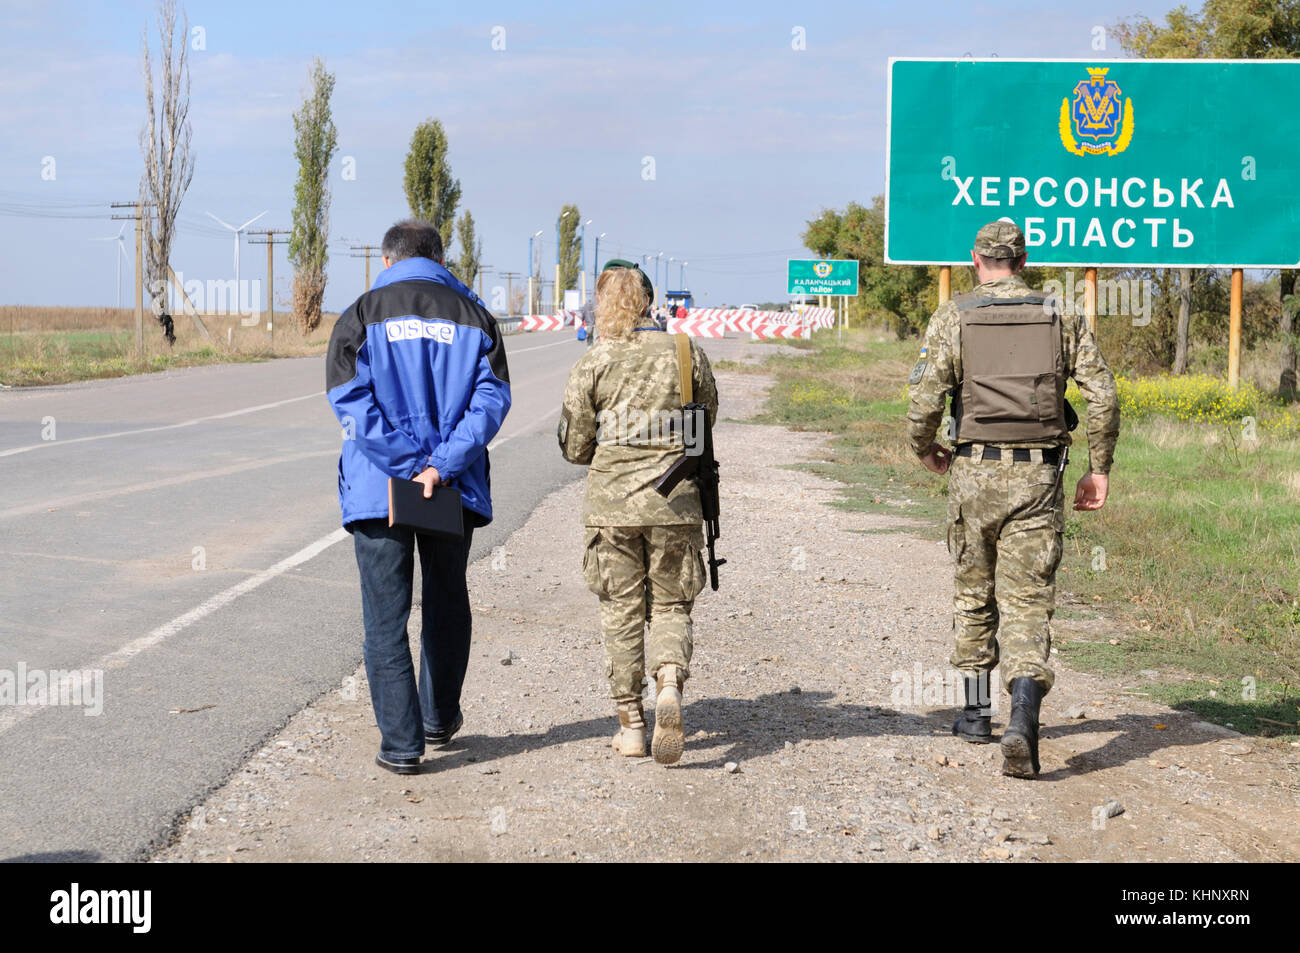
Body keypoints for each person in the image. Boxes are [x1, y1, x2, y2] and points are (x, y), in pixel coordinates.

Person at [906, 220, 1119, 779]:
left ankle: (977, 716)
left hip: (974, 471)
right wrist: (1099, 471)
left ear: (975, 258)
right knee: (1028, 601)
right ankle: (1024, 717)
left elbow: (925, 397)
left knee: (974, 591)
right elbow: (1104, 395)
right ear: (1022, 258)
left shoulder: (954, 314)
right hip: (1038, 478)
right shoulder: (1061, 312)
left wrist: (925, 448)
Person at [326, 218, 511, 775]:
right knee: (447, 601)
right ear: (440, 258)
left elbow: (349, 403)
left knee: (386, 618)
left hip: (378, 490)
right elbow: (492, 400)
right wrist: (439, 466)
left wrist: (410, 468)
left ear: (388, 261)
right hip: (451, 490)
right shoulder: (476, 316)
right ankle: (438, 716)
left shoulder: (360, 315)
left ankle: (402, 747)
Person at [558, 262, 719, 764]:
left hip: (612, 508)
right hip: (676, 505)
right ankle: (669, 681)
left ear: (606, 304)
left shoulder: (596, 359)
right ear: (650, 301)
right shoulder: (687, 351)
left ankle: (631, 727)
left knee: (620, 611)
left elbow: (575, 442)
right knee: (671, 606)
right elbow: (707, 417)